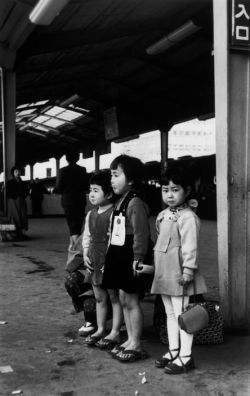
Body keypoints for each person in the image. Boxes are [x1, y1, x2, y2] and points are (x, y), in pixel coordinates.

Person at [151, 166, 207, 374]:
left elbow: (191, 246)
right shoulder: (163, 215)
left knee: (183, 315)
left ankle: (186, 356)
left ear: (187, 191)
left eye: (175, 189)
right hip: (164, 272)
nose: (169, 194)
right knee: (169, 314)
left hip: (180, 273)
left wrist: (188, 271)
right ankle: (174, 350)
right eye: (165, 189)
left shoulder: (188, 217)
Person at [102, 154, 151, 362]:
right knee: (123, 298)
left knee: (131, 300)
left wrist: (138, 258)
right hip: (118, 254)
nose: (112, 180)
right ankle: (130, 339)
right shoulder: (120, 201)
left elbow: (141, 234)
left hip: (131, 256)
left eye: (116, 175)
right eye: (111, 175)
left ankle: (137, 343)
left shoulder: (135, 203)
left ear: (131, 179)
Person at [82, 170, 119, 348]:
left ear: (109, 193)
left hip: (109, 259)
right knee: (99, 297)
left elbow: (114, 239)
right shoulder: (90, 214)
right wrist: (85, 254)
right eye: (90, 190)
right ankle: (100, 328)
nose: (92, 194)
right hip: (94, 259)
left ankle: (115, 331)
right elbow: (86, 238)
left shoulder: (114, 213)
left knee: (114, 297)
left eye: (96, 190)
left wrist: (110, 261)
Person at [54, 150, 88, 247]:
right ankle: (74, 243)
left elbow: (58, 187)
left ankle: (75, 245)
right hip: (80, 199)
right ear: (78, 158)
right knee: (78, 223)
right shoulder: (82, 170)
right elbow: (86, 186)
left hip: (68, 200)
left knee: (72, 223)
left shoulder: (62, 171)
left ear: (66, 159)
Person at [6, 166, 29, 240]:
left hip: (21, 201)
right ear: (13, 173)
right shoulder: (10, 182)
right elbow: (8, 192)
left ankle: (21, 232)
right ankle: (14, 233)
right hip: (13, 201)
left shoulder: (24, 183)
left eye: (19, 171)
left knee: (23, 216)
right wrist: (16, 196)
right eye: (16, 171)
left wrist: (21, 196)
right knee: (15, 216)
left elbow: (26, 192)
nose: (18, 173)